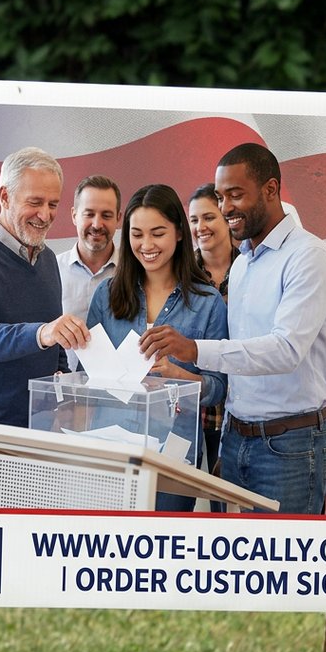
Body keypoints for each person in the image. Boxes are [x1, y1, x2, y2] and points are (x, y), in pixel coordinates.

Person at [138, 143, 326, 515]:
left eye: (235, 194)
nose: (226, 206)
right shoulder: (244, 261)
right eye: (220, 196)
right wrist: (232, 433)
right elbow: (241, 360)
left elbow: (285, 351)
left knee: (284, 564)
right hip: (236, 439)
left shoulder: (308, 258)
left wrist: (195, 349)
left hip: (290, 447)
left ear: (271, 189)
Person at [87, 184, 227, 512]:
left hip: (174, 455)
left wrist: (180, 376)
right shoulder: (106, 296)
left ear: (179, 233)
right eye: (137, 234)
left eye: (158, 233)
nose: (146, 245)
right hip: (112, 446)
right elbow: (87, 379)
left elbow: (220, 389)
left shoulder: (208, 304)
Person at [0, 146, 91, 427]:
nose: (45, 215)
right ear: (5, 196)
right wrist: (43, 333)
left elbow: (52, 336)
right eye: (35, 202)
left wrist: (61, 372)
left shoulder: (47, 259)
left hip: (38, 423)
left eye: (53, 204)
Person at [187, 183, 240, 486]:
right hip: (195, 404)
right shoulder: (182, 273)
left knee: (230, 497)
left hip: (239, 404)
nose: (200, 227)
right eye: (193, 220)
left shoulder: (249, 267)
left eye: (208, 217)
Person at [57, 175, 123, 369]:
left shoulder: (135, 274)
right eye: (89, 214)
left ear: (118, 218)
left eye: (106, 215)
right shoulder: (51, 271)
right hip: (62, 389)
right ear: (73, 215)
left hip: (118, 392)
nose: (97, 224)